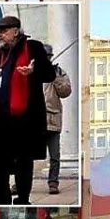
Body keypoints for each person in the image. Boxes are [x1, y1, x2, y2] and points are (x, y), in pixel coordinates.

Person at [0, 15, 55, 205]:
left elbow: (49, 74)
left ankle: (23, 199)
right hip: (1, 120)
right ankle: (1, 201)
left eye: (3, 31)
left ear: (16, 31)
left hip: (24, 119)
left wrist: (33, 72)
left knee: (23, 162)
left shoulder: (32, 47)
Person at [41, 43, 72, 195]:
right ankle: (20, 184)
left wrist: (56, 78)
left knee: (55, 156)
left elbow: (66, 91)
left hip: (53, 119)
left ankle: (53, 182)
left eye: (47, 57)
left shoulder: (58, 72)